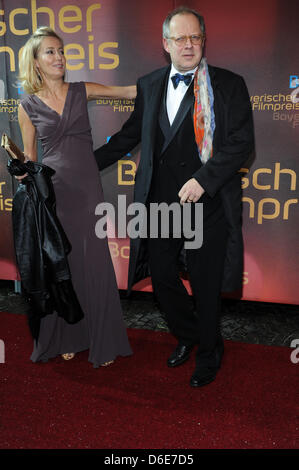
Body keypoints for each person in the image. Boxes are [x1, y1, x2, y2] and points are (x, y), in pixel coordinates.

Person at [94, 6, 254, 386]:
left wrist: (204, 179)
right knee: (162, 277)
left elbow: (240, 143)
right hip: (160, 203)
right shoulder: (149, 84)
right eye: (180, 38)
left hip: (207, 202)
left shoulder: (229, 84)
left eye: (195, 37)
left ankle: (210, 354)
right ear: (165, 44)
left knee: (204, 282)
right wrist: (86, 162)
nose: (188, 44)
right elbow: (130, 135)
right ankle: (190, 336)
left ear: (203, 40)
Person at [17, 26, 134, 367]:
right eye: (50, 52)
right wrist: (19, 167)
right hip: (56, 193)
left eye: (60, 50)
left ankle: (101, 339)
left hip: (87, 189)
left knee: (94, 262)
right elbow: (29, 156)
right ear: (36, 62)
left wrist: (173, 79)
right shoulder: (27, 104)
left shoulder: (83, 90)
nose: (59, 57)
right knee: (63, 266)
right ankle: (69, 336)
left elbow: (127, 91)